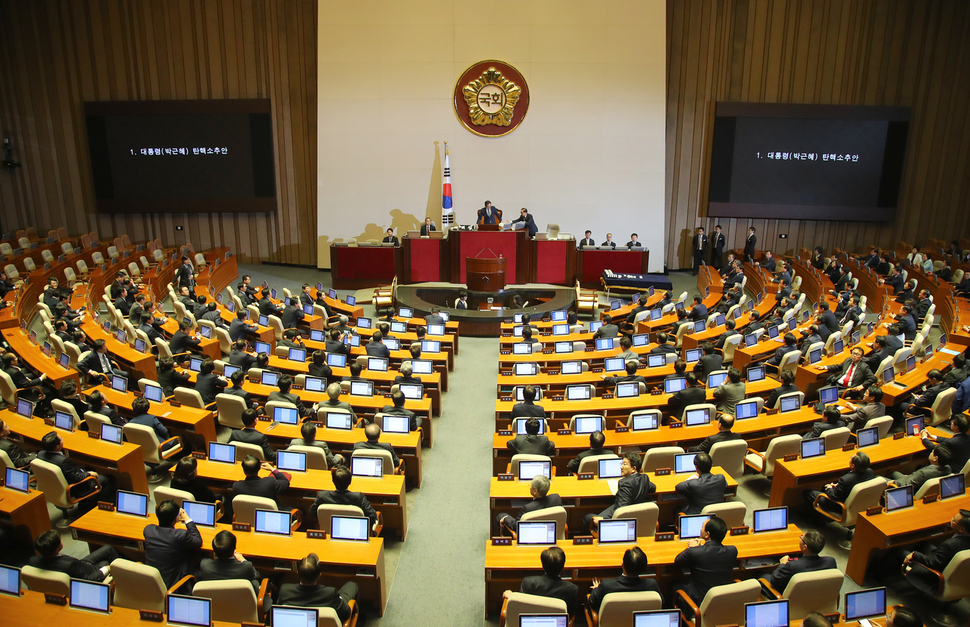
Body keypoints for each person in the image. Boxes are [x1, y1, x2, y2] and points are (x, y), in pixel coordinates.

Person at [671, 516, 738, 612]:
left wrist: (692, 548)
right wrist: (702, 548)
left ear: (707, 534)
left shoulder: (695, 552)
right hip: (721, 602)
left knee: (673, 585)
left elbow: (678, 562)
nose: (700, 529)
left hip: (696, 605)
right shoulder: (733, 551)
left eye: (702, 527)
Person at [37, 431, 115, 513]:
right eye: (61, 439)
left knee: (90, 468)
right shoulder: (63, 461)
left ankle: (85, 502)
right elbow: (76, 478)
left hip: (54, 486)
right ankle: (98, 507)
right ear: (57, 447)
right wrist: (89, 474)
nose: (63, 440)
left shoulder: (40, 454)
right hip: (74, 487)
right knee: (109, 479)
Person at [276, 552, 358, 623]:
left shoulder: (285, 591)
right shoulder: (330, 594)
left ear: (298, 573)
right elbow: (346, 614)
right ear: (319, 575)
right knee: (351, 586)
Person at [584, 452, 655, 530]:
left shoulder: (625, 484)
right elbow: (653, 488)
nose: (621, 467)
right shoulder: (644, 477)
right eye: (622, 464)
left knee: (587, 517)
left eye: (625, 464)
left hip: (620, 520)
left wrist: (603, 521)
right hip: (637, 515)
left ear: (633, 469)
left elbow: (621, 512)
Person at [903, 509, 970, 590]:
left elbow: (934, 564)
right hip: (960, 575)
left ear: (962, 529)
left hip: (938, 577)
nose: (951, 520)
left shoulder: (949, 545)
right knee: (923, 544)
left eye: (954, 520)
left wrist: (914, 555)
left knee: (899, 552)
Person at [143, 500, 202, 590]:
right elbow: (198, 541)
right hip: (172, 585)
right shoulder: (179, 535)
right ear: (176, 518)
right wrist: (187, 520)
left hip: (151, 582)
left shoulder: (148, 530)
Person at [504, 546, 577, 612]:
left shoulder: (529, 583)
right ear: (563, 566)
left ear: (543, 565)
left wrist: (512, 596)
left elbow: (521, 604)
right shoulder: (572, 589)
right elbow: (570, 613)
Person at [762, 529, 836, 594]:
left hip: (791, 596)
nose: (800, 539)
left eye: (801, 538)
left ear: (805, 547)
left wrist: (783, 564)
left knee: (760, 574)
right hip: (816, 594)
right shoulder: (831, 562)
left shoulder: (792, 566)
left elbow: (775, 580)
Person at [29, 528, 118, 582]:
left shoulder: (33, 560)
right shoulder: (69, 565)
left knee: (108, 548)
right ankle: (122, 574)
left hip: (80, 565)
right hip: (88, 572)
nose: (61, 541)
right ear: (57, 548)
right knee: (106, 562)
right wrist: (106, 568)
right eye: (60, 540)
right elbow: (88, 580)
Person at [588, 547, 661, 610]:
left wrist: (596, 589)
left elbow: (592, 602)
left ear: (622, 565)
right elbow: (661, 603)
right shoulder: (652, 585)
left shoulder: (606, 585)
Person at [804, 452, 875, 515]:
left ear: (853, 466)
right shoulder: (870, 472)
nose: (849, 459)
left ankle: (815, 520)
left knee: (807, 493)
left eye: (851, 458)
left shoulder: (845, 480)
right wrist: (838, 486)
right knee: (824, 487)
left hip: (840, 506)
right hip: (858, 504)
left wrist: (829, 488)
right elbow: (854, 484)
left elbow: (834, 496)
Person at [311, 464, 378, 527]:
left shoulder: (322, 496)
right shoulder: (358, 497)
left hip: (328, 532)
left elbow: (312, 513)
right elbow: (372, 515)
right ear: (350, 481)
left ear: (333, 481)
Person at [497, 474, 563, 533]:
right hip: (552, 531)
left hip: (531, 533)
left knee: (500, 515)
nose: (530, 486)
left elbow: (516, 526)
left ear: (535, 491)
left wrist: (505, 518)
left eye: (531, 485)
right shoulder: (556, 498)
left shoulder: (527, 508)